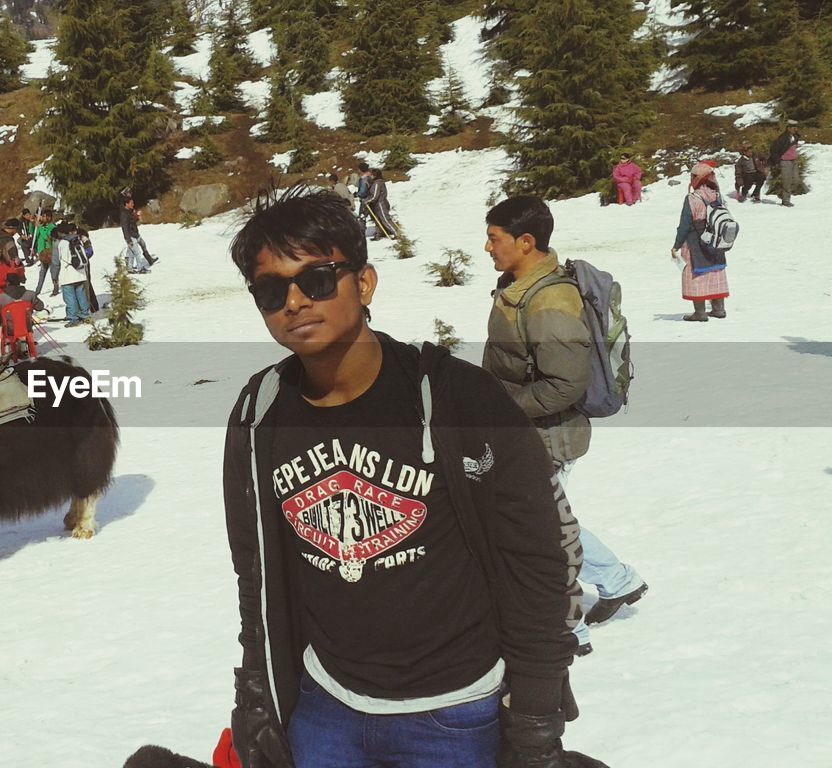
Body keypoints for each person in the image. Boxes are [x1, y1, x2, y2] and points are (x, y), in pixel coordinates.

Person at [223, 187, 602, 768]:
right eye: (271, 291)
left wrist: (535, 714)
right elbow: (255, 571)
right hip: (326, 707)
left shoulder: (457, 398)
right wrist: (255, 687)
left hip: (454, 715)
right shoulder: (260, 413)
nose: (295, 302)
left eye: (317, 279)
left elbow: (539, 563)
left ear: (365, 283)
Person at [482, 196, 648, 656]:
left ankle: (566, 627)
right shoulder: (522, 287)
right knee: (553, 520)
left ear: (526, 242)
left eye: (495, 239)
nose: (487, 247)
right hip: (532, 431)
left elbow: (563, 386)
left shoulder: (549, 301)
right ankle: (616, 580)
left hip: (547, 436)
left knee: (540, 531)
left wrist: (500, 407)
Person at [671, 162, 730, 321]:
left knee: (695, 274)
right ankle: (719, 309)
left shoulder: (692, 198)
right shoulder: (717, 195)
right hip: (716, 241)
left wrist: (676, 245)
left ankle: (700, 312)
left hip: (696, 241)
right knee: (716, 272)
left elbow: (684, 225)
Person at [55, 222, 92, 327]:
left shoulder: (61, 243)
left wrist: (55, 276)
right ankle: (85, 315)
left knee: (69, 298)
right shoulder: (77, 240)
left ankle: (73, 318)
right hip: (80, 272)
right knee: (81, 295)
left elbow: (57, 261)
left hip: (67, 274)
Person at [120, 193, 158, 273]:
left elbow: (132, 222)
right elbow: (125, 228)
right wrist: (128, 239)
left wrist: (136, 216)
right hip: (131, 236)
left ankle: (130, 268)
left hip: (135, 234)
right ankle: (140, 268)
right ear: (127, 204)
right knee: (137, 252)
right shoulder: (124, 214)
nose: (133, 204)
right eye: (131, 203)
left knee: (132, 251)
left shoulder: (129, 211)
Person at [0, 238, 25, 306]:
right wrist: (9, 277)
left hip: (12, 291)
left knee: (30, 295)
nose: (0, 251)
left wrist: (18, 265)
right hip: (0, 294)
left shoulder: (5, 262)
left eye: (0, 249)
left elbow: (16, 272)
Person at [769, 123, 800, 207]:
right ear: (788, 128)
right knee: (787, 181)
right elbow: (774, 149)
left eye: (796, 127)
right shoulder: (782, 138)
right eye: (793, 127)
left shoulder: (796, 136)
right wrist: (777, 161)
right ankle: (786, 200)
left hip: (794, 161)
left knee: (796, 181)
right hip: (785, 161)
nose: (795, 129)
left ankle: (782, 193)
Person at [362, 168, 398, 240]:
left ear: (375, 175)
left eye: (372, 175)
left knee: (385, 219)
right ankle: (379, 234)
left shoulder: (377, 183)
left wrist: (368, 200)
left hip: (381, 204)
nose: (370, 176)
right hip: (376, 204)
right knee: (377, 220)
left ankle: (396, 233)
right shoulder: (375, 183)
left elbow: (375, 195)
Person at [33, 209, 58, 296]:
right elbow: (36, 236)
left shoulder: (52, 227)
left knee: (53, 271)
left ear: (49, 217)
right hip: (42, 253)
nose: (42, 218)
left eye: (43, 216)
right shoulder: (42, 227)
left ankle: (55, 287)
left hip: (49, 252)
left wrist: (40, 227)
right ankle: (37, 290)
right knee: (42, 273)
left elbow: (45, 237)